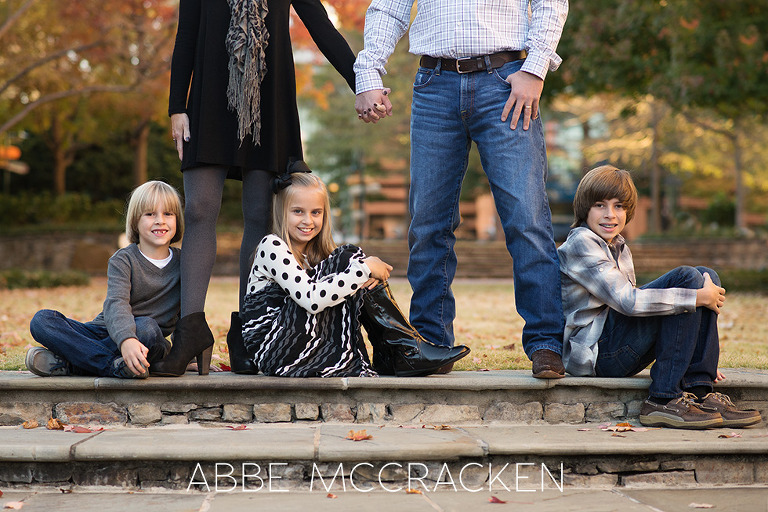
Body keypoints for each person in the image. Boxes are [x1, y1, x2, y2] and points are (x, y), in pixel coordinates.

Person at [352, 0, 569, 378]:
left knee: (526, 218)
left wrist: (535, 68)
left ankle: (546, 343)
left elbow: (551, 3)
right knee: (428, 223)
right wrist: (368, 72)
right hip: (434, 86)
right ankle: (431, 343)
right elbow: (388, 8)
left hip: (506, 82)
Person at [163, 0, 360, 376]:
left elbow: (320, 27)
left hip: (268, 102)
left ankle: (248, 335)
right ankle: (190, 330)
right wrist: (177, 106)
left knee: (259, 216)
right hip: (208, 97)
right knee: (199, 209)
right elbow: (185, 35)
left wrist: (362, 83)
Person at [558, 165, 761, 429]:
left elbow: (644, 307)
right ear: (585, 208)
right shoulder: (581, 243)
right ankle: (663, 399)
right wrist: (696, 298)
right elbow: (628, 303)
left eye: (619, 206)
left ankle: (700, 388)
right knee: (688, 281)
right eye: (600, 205)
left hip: (615, 345)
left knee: (705, 275)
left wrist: (698, 353)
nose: (611, 215)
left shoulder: (617, 245)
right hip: (596, 353)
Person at [240, 171, 469, 377]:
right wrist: (364, 269)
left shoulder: (315, 255)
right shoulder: (271, 246)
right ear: (281, 212)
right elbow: (311, 299)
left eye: (316, 212)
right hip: (275, 346)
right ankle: (401, 350)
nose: (308, 221)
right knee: (348, 258)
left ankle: (397, 350)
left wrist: (359, 272)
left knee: (347, 262)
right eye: (298, 211)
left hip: (299, 339)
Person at [26, 181, 184, 379]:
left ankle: (73, 364)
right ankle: (113, 366)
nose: (160, 220)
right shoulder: (123, 259)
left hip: (147, 339)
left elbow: (188, 312)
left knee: (147, 327)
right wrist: (126, 339)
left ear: (177, 219)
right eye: (150, 214)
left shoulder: (184, 262)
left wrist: (187, 356)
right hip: (104, 332)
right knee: (42, 320)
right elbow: (116, 303)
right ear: (135, 220)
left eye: (168, 214)